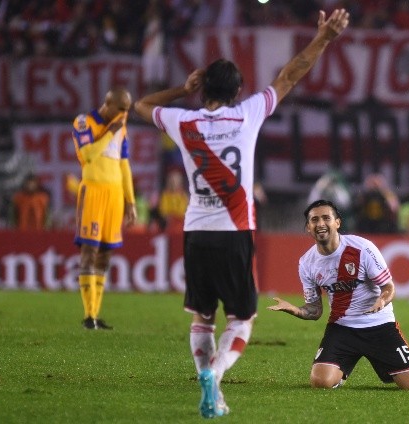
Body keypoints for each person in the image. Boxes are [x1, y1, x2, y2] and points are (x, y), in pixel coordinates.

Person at [134, 8, 350, 418]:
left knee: (202, 316)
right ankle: (213, 377)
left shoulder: (184, 121)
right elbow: (290, 75)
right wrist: (323, 37)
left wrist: (182, 89)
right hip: (235, 232)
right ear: (237, 92)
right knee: (243, 320)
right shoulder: (248, 113)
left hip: (196, 231)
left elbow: (142, 105)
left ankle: (205, 373)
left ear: (204, 90)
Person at [267, 199, 409, 391]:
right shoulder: (307, 263)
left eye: (326, 218)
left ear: (337, 223)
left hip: (380, 326)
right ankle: (338, 374)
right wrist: (295, 310)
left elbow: (389, 287)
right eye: (314, 220)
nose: (320, 224)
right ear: (308, 227)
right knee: (320, 383)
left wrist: (382, 300)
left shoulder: (362, 248)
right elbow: (315, 310)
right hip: (342, 328)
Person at [72, 87, 137, 330]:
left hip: (115, 195)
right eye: (121, 109)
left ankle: (96, 315)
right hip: (93, 191)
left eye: (127, 111)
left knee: (106, 254)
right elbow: (88, 155)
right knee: (89, 250)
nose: (123, 115)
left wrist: (130, 200)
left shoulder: (121, 127)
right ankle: (88, 315)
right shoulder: (83, 121)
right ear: (107, 103)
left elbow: (124, 165)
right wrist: (110, 133)